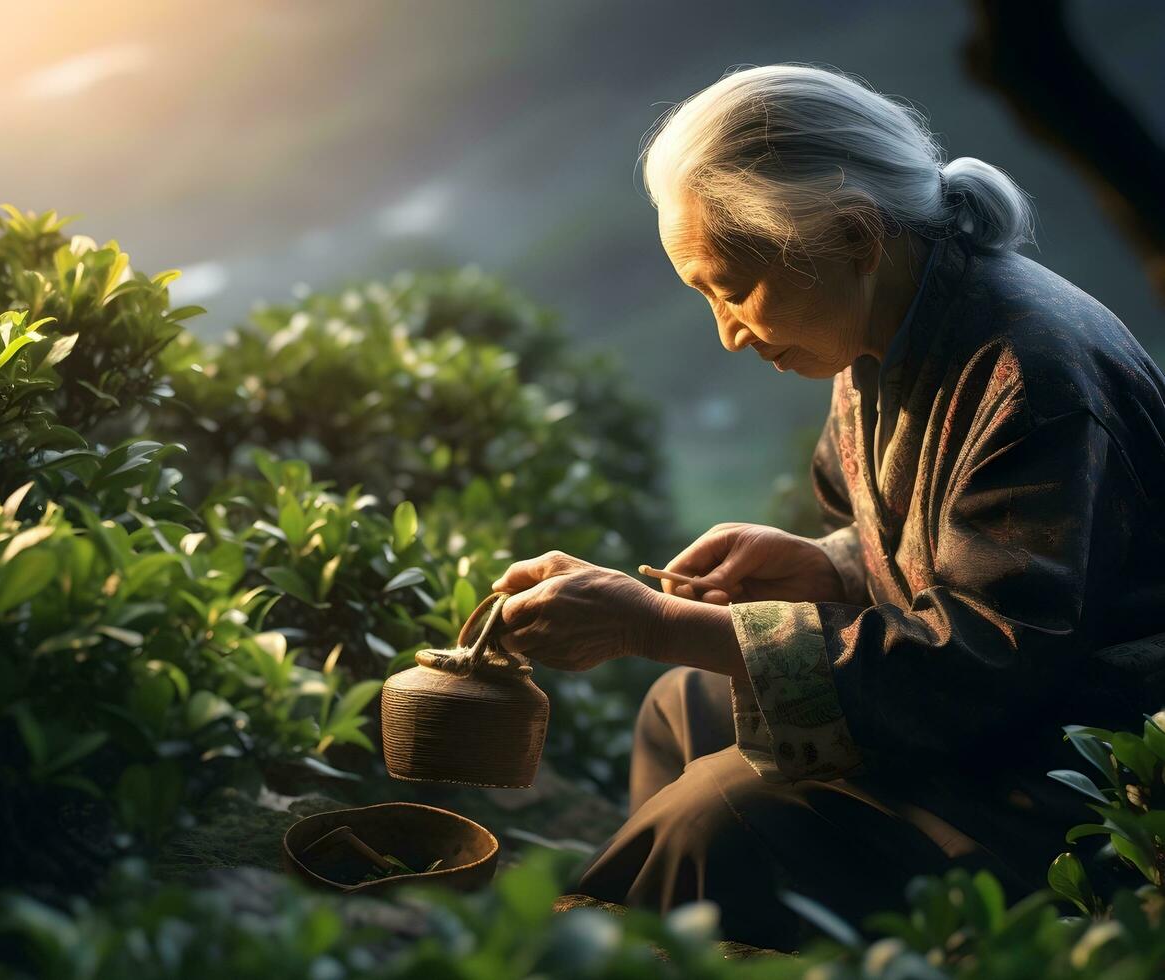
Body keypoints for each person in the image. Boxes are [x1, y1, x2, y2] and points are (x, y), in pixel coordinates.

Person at [489, 63, 1165, 951]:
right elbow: (960, 541)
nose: (729, 332)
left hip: (1077, 765)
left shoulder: (1029, 374)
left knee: (712, 818)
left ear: (852, 235)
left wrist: (652, 622)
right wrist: (830, 562)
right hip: (993, 705)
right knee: (682, 704)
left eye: (733, 288)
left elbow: (978, 666)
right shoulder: (893, 323)